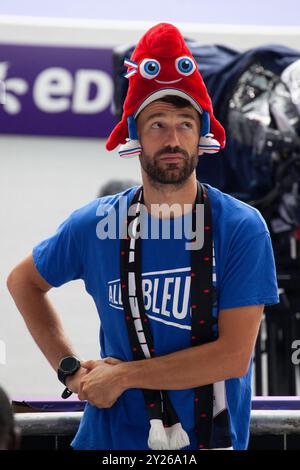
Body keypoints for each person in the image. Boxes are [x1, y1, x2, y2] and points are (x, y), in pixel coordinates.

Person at [7, 23, 279, 451]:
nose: (172, 139)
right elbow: (23, 281)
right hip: (107, 444)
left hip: (206, 445)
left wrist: (124, 376)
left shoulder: (241, 228)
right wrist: (70, 369)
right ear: (134, 134)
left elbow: (232, 356)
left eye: (185, 124)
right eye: (157, 124)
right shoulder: (95, 224)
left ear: (202, 135)